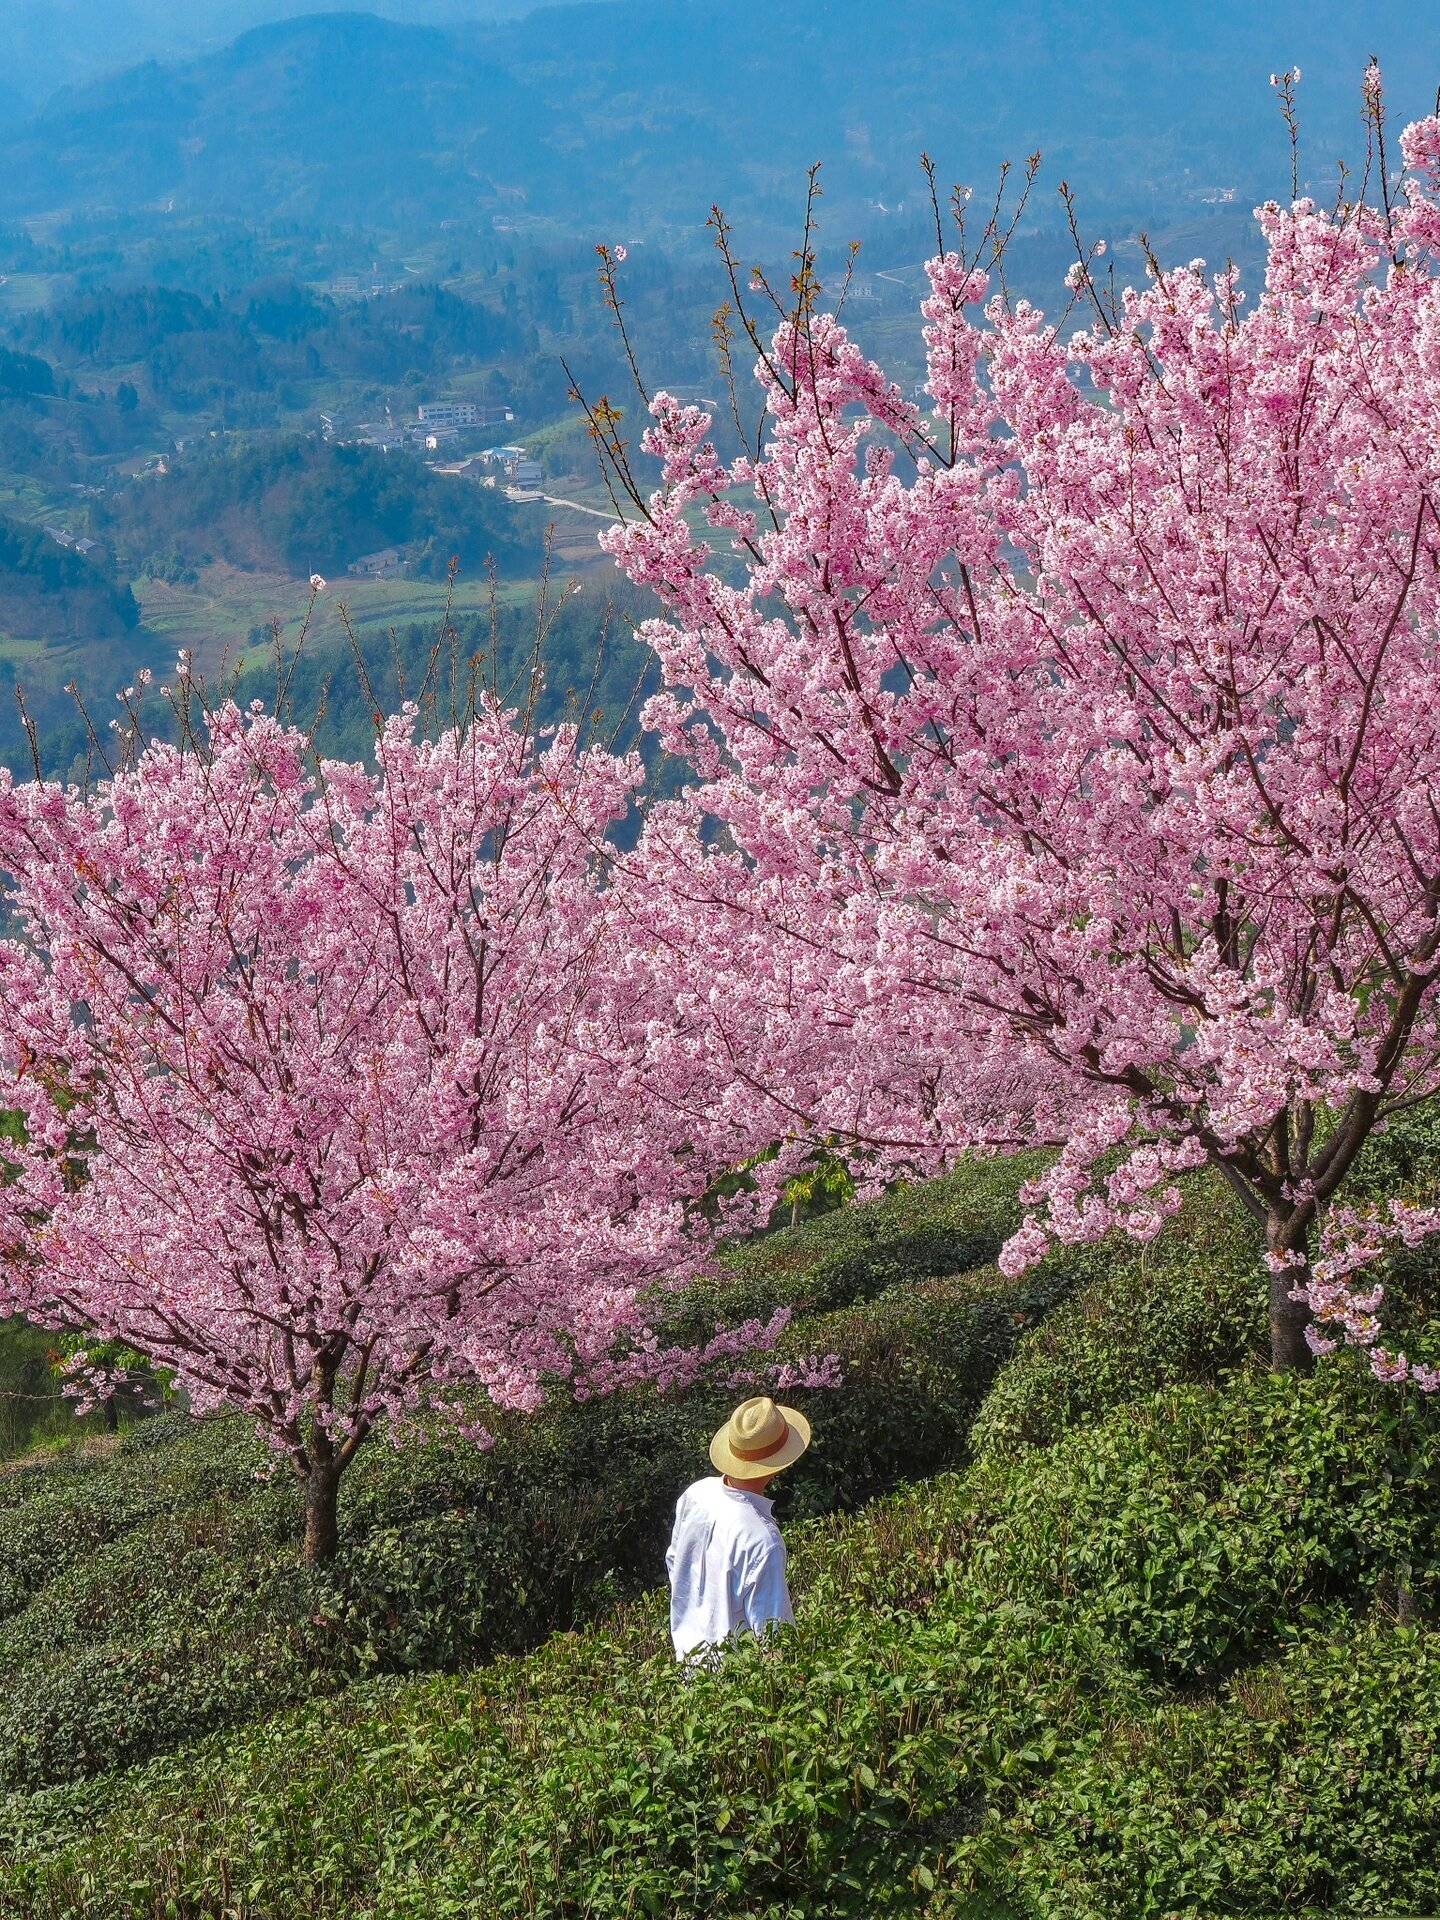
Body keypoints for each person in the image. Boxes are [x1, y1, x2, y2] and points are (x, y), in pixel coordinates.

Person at [666, 1394, 811, 1662]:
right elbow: (774, 1638)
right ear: (779, 1465)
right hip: (735, 1686)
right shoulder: (762, 1539)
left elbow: (675, 1565)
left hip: (686, 1665)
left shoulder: (695, 1494)